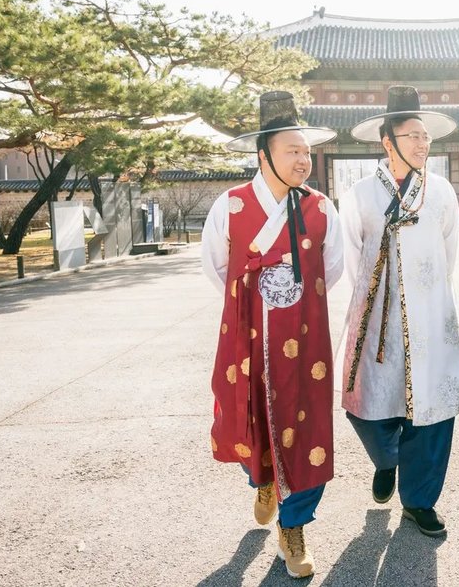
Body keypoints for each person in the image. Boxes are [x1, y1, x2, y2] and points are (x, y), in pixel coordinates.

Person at [200, 91, 344, 578]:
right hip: (247, 336)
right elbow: (216, 268)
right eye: (292, 151)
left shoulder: (321, 207)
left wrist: (292, 306)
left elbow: (332, 270)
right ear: (264, 155)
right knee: (249, 416)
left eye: (307, 152)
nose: (303, 160)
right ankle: (262, 479)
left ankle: (294, 524)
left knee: (309, 428)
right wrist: (254, 305)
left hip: (305, 339)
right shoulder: (231, 205)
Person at [338, 85, 459, 537]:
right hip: (376, 317)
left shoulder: (442, 192)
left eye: (425, 136)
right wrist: (379, 300)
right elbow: (352, 260)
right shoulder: (359, 195)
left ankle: (420, 499)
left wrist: (425, 296)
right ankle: (387, 459)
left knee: (431, 410)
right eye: (412, 136)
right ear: (387, 142)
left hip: (430, 314)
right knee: (369, 403)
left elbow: (449, 254)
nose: (422, 144)